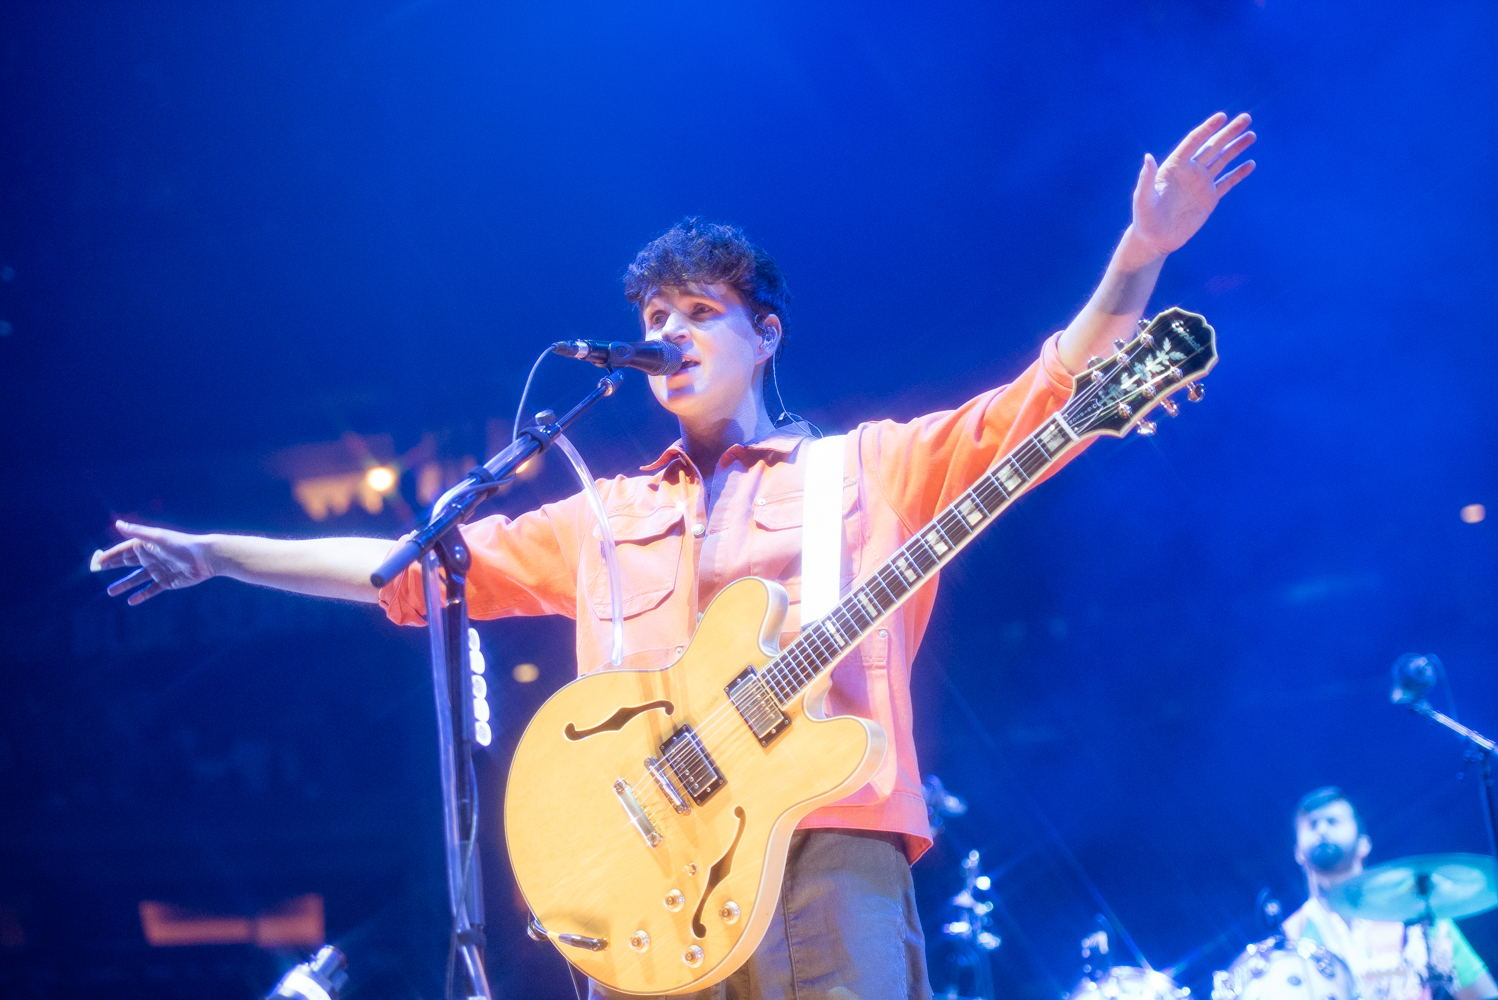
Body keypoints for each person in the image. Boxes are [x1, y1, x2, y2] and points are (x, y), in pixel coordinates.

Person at [92, 112, 1256, 1000]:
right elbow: (409, 570)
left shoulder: (867, 469)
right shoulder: (601, 515)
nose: (668, 335)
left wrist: (1139, 251)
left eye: (697, 312)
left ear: (765, 335)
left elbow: (1046, 396)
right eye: (654, 321)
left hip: (825, 849)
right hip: (649, 880)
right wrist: (217, 554)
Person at [1282, 786, 1497, 1000]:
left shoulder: (1417, 915)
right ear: (1297, 853)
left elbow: (1483, 995)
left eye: (1332, 821)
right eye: (1312, 824)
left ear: (1364, 844)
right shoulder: (1288, 938)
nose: (1321, 830)